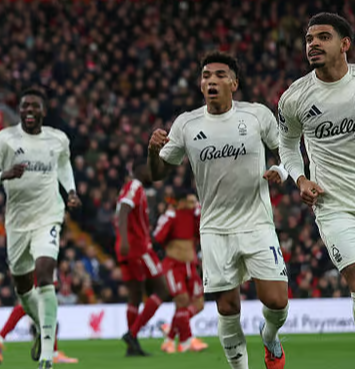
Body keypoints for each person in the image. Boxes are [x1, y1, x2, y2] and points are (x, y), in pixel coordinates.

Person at [148, 51, 289, 369]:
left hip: (256, 223)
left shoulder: (256, 116)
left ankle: (269, 337)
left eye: (220, 75)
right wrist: (151, 151)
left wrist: (282, 171)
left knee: (277, 303)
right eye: (206, 76)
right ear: (201, 85)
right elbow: (158, 173)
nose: (212, 80)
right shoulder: (186, 123)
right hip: (214, 229)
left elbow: (286, 151)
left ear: (234, 83)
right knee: (227, 308)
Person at [0, 88, 81, 369]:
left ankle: (47, 355)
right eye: (25, 106)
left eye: (35, 106)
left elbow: (64, 165)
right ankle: (40, 329)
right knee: (23, 288)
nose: (29, 110)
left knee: (46, 274)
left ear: (43, 111)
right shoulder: (5, 140)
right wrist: (4, 175)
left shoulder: (58, 139)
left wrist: (70, 191)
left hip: (49, 216)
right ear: (20, 110)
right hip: (17, 224)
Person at [277, 12, 355, 342]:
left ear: (345, 44)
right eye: (309, 39)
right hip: (335, 205)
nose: (313, 44)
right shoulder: (295, 97)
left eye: (322, 37)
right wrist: (300, 179)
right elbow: (286, 145)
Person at [115, 164, 170, 357]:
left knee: (135, 295)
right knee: (163, 290)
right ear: (139, 170)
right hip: (138, 249)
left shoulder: (132, 187)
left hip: (129, 248)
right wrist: (123, 239)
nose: (151, 173)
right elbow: (123, 209)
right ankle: (132, 333)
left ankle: (132, 346)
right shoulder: (135, 186)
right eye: (148, 169)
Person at [153, 194, 208, 354]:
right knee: (182, 300)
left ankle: (170, 334)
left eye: (194, 201)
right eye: (190, 201)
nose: (193, 204)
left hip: (190, 265)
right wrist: (169, 216)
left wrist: (198, 214)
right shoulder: (172, 215)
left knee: (198, 304)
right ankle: (187, 341)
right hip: (173, 265)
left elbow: (201, 235)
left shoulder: (192, 216)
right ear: (181, 202)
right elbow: (158, 236)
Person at [0, 283, 78, 364]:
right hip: (37, 276)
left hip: (25, 275)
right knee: (46, 309)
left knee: (27, 306)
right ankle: (54, 354)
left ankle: (0, 337)